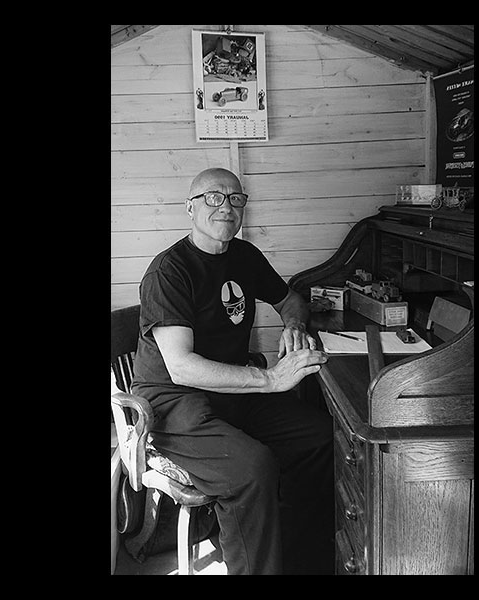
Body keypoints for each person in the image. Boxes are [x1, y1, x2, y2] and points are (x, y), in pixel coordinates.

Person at [130, 167, 334, 575]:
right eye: (213, 197)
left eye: (235, 198)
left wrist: (294, 325)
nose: (226, 207)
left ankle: (300, 558)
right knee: (251, 469)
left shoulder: (245, 256)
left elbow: (291, 300)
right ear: (190, 208)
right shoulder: (169, 271)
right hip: (171, 401)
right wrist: (272, 379)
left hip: (231, 389)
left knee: (320, 436)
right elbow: (182, 368)